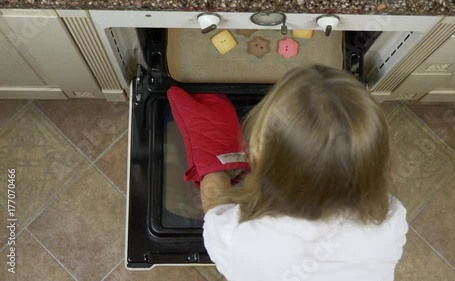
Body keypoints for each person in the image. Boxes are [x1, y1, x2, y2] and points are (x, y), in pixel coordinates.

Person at [168, 65, 408, 281]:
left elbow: (215, 214)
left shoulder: (239, 240)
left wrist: (216, 159)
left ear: (258, 157)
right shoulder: (389, 220)